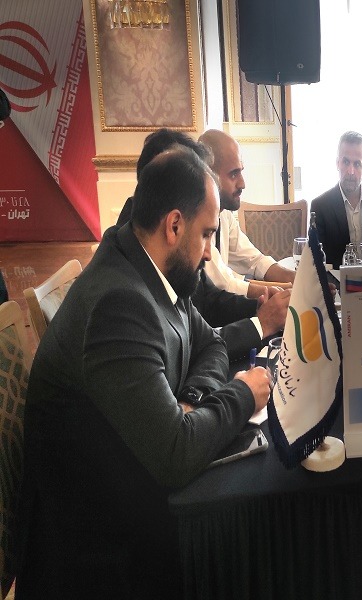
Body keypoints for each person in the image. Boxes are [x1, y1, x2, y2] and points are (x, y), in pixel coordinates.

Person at [17, 147, 273, 598]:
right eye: (207, 234)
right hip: (99, 553)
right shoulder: (119, 303)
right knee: (255, 532)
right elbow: (175, 455)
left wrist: (191, 401)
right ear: (174, 225)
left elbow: (211, 344)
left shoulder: (155, 265)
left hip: (128, 492)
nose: (209, 252)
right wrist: (243, 393)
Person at [117, 128, 290, 361]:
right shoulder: (124, 296)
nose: (207, 254)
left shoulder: (161, 250)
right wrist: (262, 323)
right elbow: (187, 355)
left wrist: (261, 308)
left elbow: (207, 314)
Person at [199, 129, 296, 289]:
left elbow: (255, 261)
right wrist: (291, 290)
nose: (242, 184)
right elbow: (225, 284)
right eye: (233, 174)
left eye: (241, 172)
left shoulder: (225, 215)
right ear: (209, 174)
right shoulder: (197, 221)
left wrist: (299, 280)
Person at [310, 131, 362, 268]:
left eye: (357, 164)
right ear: (337, 163)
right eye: (346, 162)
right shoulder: (320, 206)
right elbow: (317, 257)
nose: (351, 171)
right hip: (338, 278)